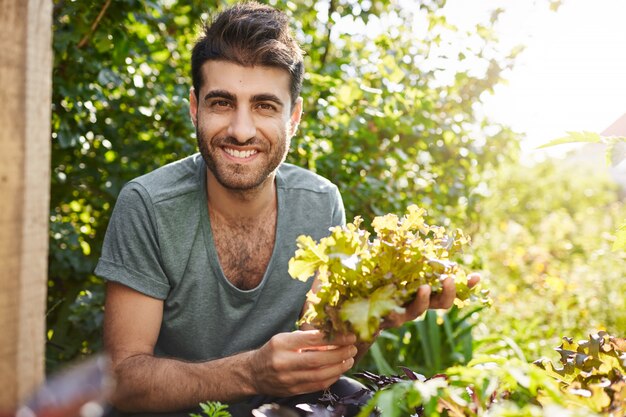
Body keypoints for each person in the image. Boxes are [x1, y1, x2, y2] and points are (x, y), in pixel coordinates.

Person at [96, 2, 478, 416]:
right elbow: (123, 380)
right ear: (195, 108)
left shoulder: (321, 202)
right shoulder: (149, 206)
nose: (241, 131)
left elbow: (319, 350)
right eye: (222, 103)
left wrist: (372, 314)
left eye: (265, 106)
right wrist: (250, 374)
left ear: (293, 116)